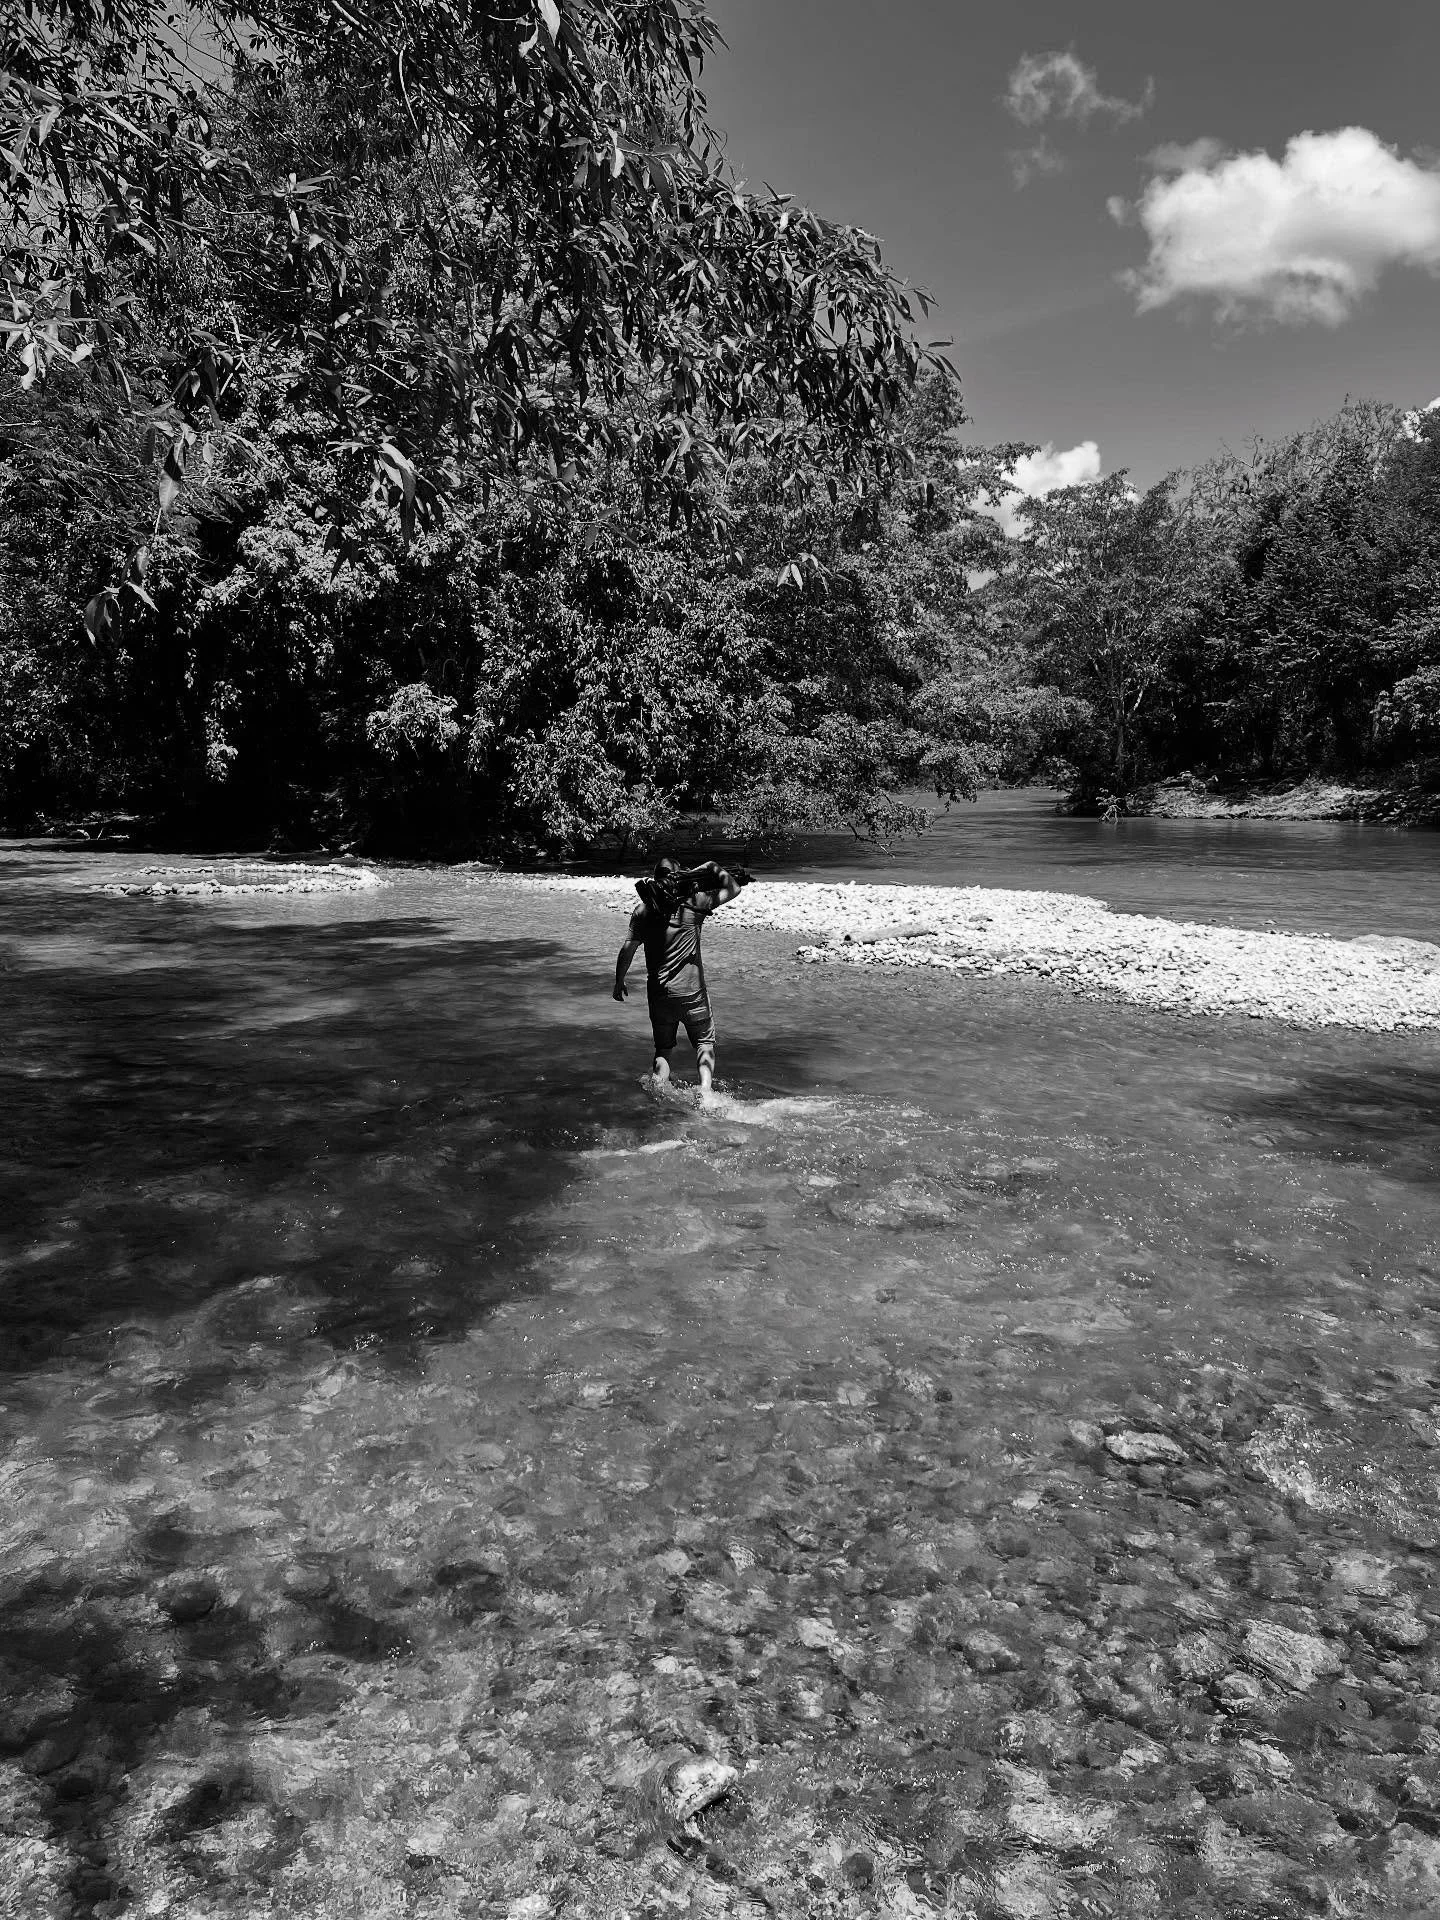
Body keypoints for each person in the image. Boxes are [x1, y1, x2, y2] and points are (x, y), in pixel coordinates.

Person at [613, 858, 750, 1095]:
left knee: (663, 1050)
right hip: (692, 993)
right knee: (704, 1043)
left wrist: (619, 981)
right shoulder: (694, 904)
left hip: (659, 995)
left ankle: (657, 1092)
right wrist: (710, 866)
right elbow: (734, 888)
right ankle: (705, 1091)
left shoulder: (643, 911)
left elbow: (627, 950)